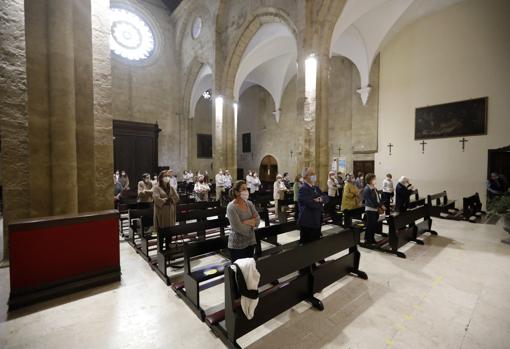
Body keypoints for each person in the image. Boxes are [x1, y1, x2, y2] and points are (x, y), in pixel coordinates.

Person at [226, 180, 260, 261]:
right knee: (239, 271)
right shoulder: (231, 207)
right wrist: (252, 222)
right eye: (243, 189)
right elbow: (238, 228)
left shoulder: (249, 203)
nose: (246, 191)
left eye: (246, 188)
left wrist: (245, 222)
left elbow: (258, 220)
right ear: (237, 192)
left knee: (249, 269)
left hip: (251, 241)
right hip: (237, 244)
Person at [298, 167, 327, 243]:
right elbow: (311, 204)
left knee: (315, 245)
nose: (314, 175)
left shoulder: (316, 188)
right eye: (311, 174)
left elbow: (326, 198)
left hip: (317, 220)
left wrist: (320, 199)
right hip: (308, 222)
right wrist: (320, 203)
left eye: (314, 173)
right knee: (307, 247)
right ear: (305, 177)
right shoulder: (303, 188)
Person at [363, 173, 384, 245]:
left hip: (375, 209)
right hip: (370, 209)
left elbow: (378, 198)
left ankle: (371, 238)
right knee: (370, 225)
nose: (375, 180)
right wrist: (380, 206)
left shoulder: (374, 188)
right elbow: (371, 200)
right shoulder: (367, 189)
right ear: (370, 180)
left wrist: (381, 204)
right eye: (374, 179)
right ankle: (367, 240)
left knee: (374, 225)